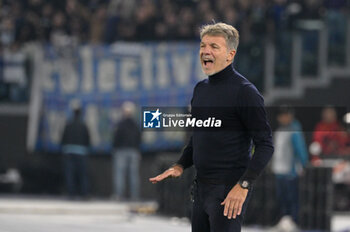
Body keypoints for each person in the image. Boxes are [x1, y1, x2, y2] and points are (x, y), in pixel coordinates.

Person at [149, 22, 274, 232]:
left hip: (228, 190)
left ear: (230, 55)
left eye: (214, 47)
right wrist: (180, 165)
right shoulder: (200, 89)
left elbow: (265, 145)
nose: (206, 51)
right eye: (203, 45)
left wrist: (243, 185)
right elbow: (197, 136)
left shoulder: (245, 92)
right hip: (201, 188)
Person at [271, 106, 308, 231]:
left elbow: (300, 149)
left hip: (290, 170)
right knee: (282, 197)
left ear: (290, 115)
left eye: (285, 115)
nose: (282, 118)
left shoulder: (295, 130)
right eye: (280, 116)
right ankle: (284, 219)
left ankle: (294, 220)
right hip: (279, 170)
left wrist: (303, 164)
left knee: (292, 197)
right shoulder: (280, 130)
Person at [61, 102, 91, 199]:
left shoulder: (68, 124)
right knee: (82, 174)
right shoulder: (83, 125)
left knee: (70, 174)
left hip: (69, 151)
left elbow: (63, 138)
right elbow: (87, 139)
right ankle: (84, 194)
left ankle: (71, 194)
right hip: (81, 152)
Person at [112, 101, 141, 200]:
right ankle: (134, 196)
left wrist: (115, 148)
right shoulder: (136, 124)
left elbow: (116, 137)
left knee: (120, 174)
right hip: (133, 151)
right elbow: (139, 138)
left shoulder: (120, 124)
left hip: (121, 151)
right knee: (133, 175)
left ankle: (119, 195)